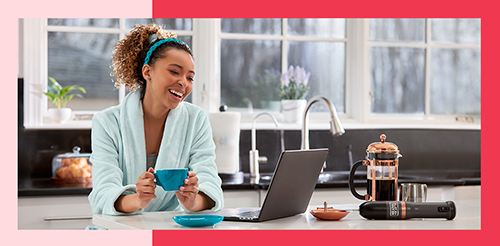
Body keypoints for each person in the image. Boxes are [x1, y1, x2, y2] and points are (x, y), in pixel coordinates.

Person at [88, 24, 224, 215]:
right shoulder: (108, 122)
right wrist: (137, 199)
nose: (184, 82)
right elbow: (103, 193)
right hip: (122, 229)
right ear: (147, 72)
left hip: (171, 227)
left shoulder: (196, 120)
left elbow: (210, 184)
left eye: (190, 77)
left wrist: (193, 200)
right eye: (175, 72)